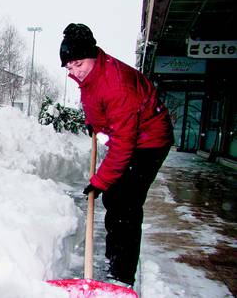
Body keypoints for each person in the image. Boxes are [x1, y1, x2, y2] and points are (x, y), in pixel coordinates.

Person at [59, 23, 174, 287]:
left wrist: (100, 182)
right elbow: (96, 104)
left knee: (126, 204)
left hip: (151, 141)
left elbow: (123, 144)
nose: (73, 72)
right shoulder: (92, 74)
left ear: (92, 56)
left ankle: (122, 277)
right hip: (133, 136)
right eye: (69, 67)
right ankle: (115, 257)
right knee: (115, 198)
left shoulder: (116, 84)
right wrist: (95, 124)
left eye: (77, 64)